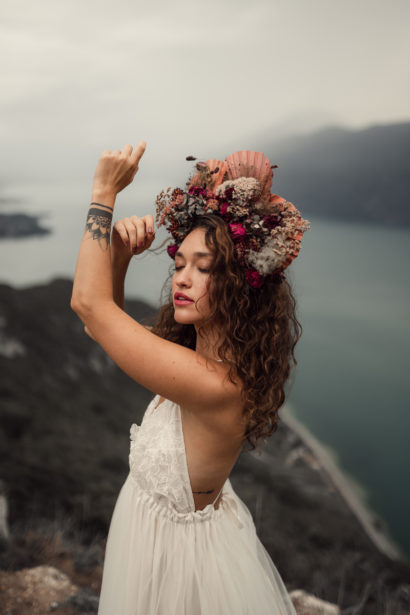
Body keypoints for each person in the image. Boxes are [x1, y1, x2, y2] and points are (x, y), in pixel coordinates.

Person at [71, 142, 311, 614]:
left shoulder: (215, 385)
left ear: (240, 284)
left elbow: (88, 307)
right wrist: (118, 254)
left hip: (177, 567)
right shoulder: (198, 357)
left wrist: (103, 193)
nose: (181, 278)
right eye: (179, 263)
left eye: (204, 268)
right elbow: (101, 322)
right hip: (156, 542)